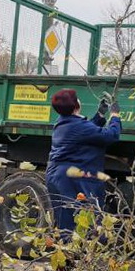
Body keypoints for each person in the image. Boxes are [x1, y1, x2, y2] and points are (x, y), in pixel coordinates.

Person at [45, 89, 121, 239]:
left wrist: (100, 115)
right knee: (80, 220)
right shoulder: (78, 127)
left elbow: (86, 131)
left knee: (65, 219)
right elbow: (111, 136)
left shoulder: (62, 122)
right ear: (76, 106)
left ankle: (67, 255)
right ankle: (72, 257)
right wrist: (115, 116)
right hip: (70, 179)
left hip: (57, 175)